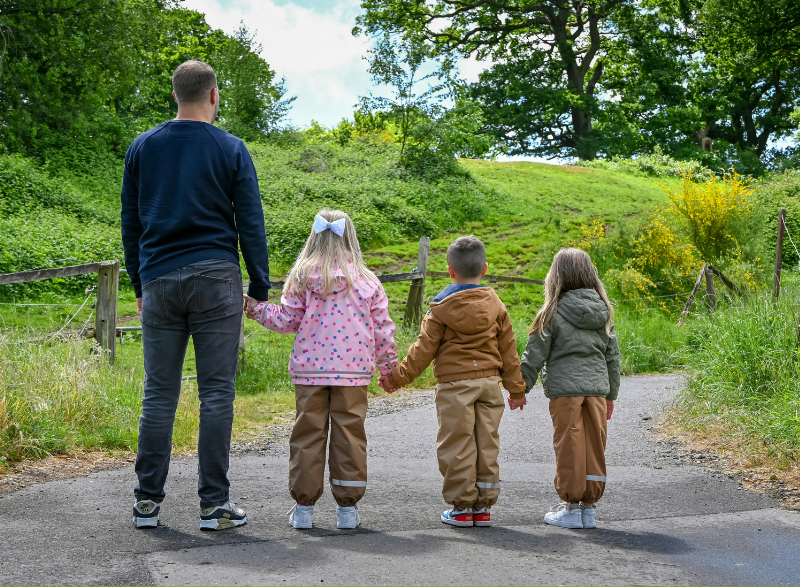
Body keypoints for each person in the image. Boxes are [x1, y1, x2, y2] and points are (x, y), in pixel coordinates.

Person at [121, 59, 271, 530]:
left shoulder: (142, 147)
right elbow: (250, 220)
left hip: (160, 278)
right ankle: (213, 504)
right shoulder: (230, 148)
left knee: (159, 394)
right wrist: (259, 285)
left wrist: (139, 284)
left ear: (175, 96)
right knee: (217, 394)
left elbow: (131, 224)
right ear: (213, 96)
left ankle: (147, 502)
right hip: (215, 278)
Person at [243, 209, 397, 530]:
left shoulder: (301, 277)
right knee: (350, 436)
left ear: (314, 237)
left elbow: (287, 320)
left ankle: (303, 509)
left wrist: (257, 309)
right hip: (353, 374)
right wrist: (388, 368)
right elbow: (383, 329)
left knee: (307, 435)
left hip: (310, 371)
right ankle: (347, 510)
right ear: (350, 238)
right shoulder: (368, 283)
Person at [380, 235, 526, 527]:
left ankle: (462, 507)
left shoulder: (440, 310)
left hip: (454, 386)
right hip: (489, 384)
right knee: (487, 443)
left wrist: (397, 377)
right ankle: (483, 507)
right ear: (484, 269)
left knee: (457, 444)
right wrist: (517, 389)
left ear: (450, 271)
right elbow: (509, 352)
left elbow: (422, 352)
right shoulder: (497, 307)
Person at [515, 248, 620, 530]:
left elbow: (534, 355)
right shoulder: (604, 310)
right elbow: (612, 357)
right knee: (595, 446)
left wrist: (520, 388)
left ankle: (571, 507)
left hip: (565, 393)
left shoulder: (551, 312)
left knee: (569, 445)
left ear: (556, 276)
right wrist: (611, 395)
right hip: (597, 391)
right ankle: (589, 508)